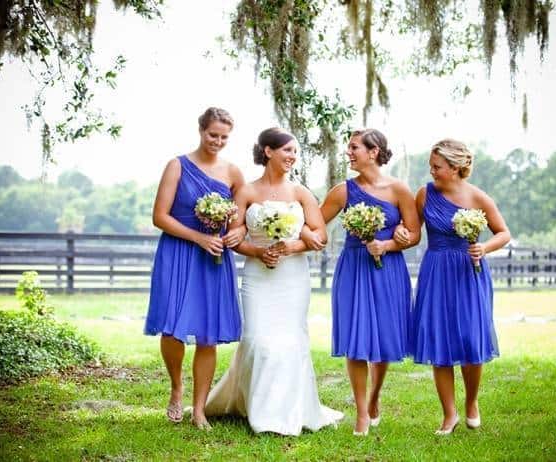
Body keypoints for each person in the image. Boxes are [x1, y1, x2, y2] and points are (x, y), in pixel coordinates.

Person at [204, 127, 343, 435]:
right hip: (257, 276)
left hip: (292, 277)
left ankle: (285, 412)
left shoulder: (301, 193)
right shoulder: (247, 192)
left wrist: (293, 246)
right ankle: (254, 406)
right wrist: (256, 250)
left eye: (295, 152)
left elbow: (319, 234)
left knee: (290, 341)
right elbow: (234, 237)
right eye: (287, 151)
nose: (292, 157)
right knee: (257, 339)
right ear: (268, 151)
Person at [309, 129, 420, 436]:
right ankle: (360, 412)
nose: (349, 153)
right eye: (348, 148)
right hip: (354, 267)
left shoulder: (399, 190)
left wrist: (392, 242)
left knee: (383, 340)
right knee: (356, 340)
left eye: (354, 147)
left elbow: (414, 234)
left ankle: (374, 398)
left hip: (388, 270)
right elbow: (316, 224)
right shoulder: (342, 191)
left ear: (373, 152)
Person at [395, 139, 511, 435]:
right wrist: (398, 235)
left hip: (468, 272)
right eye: (431, 165)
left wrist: (484, 248)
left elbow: (503, 233)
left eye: (437, 166)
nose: (431, 170)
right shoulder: (424, 194)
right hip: (435, 272)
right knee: (439, 342)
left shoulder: (478, 197)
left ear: (456, 167)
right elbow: (413, 233)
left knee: (472, 340)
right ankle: (449, 414)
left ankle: (472, 403)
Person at [144, 107, 247, 430]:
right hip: (178, 251)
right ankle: (177, 387)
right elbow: (160, 216)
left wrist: (236, 232)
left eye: (224, 137)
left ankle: (199, 408)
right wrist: (199, 237)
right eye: (212, 134)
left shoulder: (233, 173)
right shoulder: (177, 166)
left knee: (208, 332)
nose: (217, 141)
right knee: (172, 326)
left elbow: (241, 218)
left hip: (213, 258)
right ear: (201, 130)